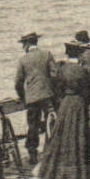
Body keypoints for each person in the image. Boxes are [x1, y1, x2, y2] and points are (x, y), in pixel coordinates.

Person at [37, 38, 90, 179]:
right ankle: (80, 171)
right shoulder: (82, 71)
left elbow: (56, 89)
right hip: (79, 104)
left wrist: (60, 102)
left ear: (67, 54)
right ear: (79, 55)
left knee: (61, 136)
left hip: (65, 104)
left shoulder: (62, 70)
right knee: (79, 135)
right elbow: (89, 89)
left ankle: (58, 171)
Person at [14, 32, 56, 165]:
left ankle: (32, 153)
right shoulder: (47, 54)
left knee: (33, 125)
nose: (23, 47)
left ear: (27, 44)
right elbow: (54, 74)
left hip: (32, 98)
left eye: (23, 44)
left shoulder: (23, 60)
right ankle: (52, 149)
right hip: (47, 95)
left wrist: (23, 97)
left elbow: (18, 82)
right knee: (51, 122)